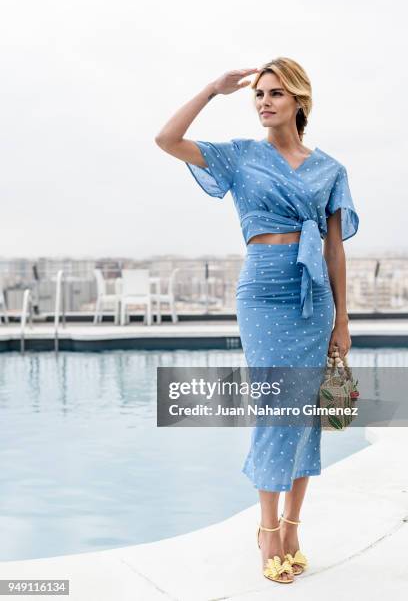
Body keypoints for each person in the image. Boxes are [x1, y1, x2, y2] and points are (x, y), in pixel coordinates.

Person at [155, 57, 359, 585]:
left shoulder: (330, 169)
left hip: (312, 295)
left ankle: (292, 526)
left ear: (299, 101)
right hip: (264, 291)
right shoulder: (241, 157)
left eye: (275, 93)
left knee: (305, 411)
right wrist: (211, 90)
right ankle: (268, 530)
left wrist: (342, 319)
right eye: (259, 94)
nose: (264, 101)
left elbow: (334, 249)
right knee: (276, 405)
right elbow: (166, 139)